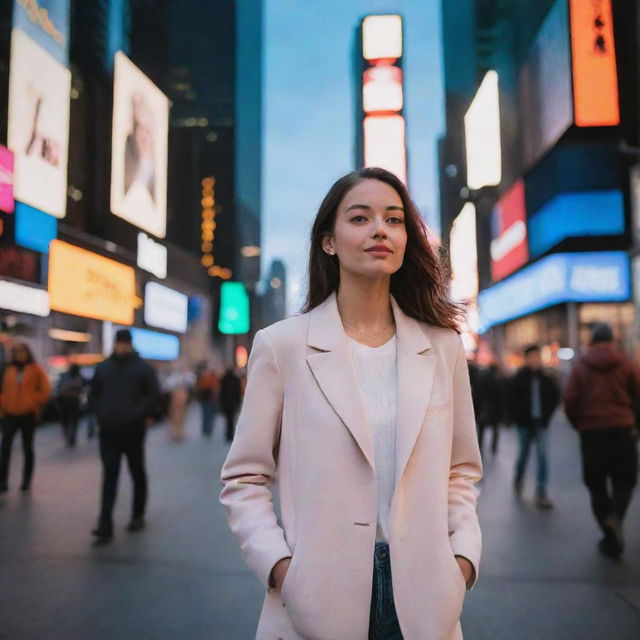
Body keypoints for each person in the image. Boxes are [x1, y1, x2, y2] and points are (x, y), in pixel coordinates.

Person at [220, 167, 482, 639]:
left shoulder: (442, 347)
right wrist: (279, 568)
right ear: (329, 241)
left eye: (394, 219)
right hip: (314, 598)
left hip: (425, 596)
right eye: (360, 218)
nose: (380, 229)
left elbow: (461, 469)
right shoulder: (282, 346)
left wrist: (462, 558)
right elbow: (244, 477)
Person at [563, 323, 640, 557]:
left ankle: (609, 535)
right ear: (612, 340)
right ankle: (615, 518)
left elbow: (569, 399)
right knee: (625, 482)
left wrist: (580, 424)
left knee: (596, 486)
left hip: (592, 433)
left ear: (592, 341)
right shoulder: (626, 364)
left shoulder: (581, 367)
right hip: (622, 430)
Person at [89, 329, 159, 542]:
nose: (121, 347)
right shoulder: (104, 368)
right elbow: (94, 395)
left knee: (137, 471)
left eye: (124, 343)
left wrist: (139, 414)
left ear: (129, 344)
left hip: (133, 431)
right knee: (109, 475)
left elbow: (153, 394)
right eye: (119, 343)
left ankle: (137, 514)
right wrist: (101, 413)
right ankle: (105, 523)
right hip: (109, 430)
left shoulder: (143, 368)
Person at [509, 345, 560, 509]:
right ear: (527, 359)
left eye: (537, 357)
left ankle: (541, 492)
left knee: (542, 456)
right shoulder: (519, 378)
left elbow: (555, 398)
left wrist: (547, 416)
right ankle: (518, 478)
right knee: (523, 454)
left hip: (542, 424)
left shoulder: (546, 378)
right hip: (524, 424)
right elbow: (511, 399)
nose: (535, 360)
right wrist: (517, 418)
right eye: (531, 357)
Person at [0, 343, 51, 493]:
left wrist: (32, 401)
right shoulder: (8, 370)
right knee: (5, 448)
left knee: (27, 448)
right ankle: (2, 481)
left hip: (27, 415)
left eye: (22, 352)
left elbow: (45, 390)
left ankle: (26, 480)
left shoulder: (35, 370)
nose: (20, 355)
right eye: (17, 352)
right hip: (10, 414)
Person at [476, 363, 504, 456]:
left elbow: (477, 396)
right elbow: (500, 397)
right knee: (495, 430)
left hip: (483, 409)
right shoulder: (497, 380)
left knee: (481, 430)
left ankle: (480, 447)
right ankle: (493, 448)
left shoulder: (481, 380)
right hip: (494, 411)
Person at [57, 363, 84, 448]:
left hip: (71, 402)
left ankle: (71, 437)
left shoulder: (77, 377)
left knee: (70, 421)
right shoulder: (70, 377)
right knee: (68, 421)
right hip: (68, 402)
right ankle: (70, 436)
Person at [219, 367, 242, 442]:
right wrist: (238, 402)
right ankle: (230, 434)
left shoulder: (224, 379)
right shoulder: (236, 379)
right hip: (233, 403)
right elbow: (238, 392)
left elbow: (221, 393)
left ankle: (228, 434)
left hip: (226, 403)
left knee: (228, 419)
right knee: (231, 419)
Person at [196, 364, 219, 437]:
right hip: (206, 398)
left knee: (208, 415)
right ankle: (207, 429)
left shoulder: (211, 378)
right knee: (207, 414)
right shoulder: (204, 378)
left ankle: (207, 429)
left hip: (209, 399)